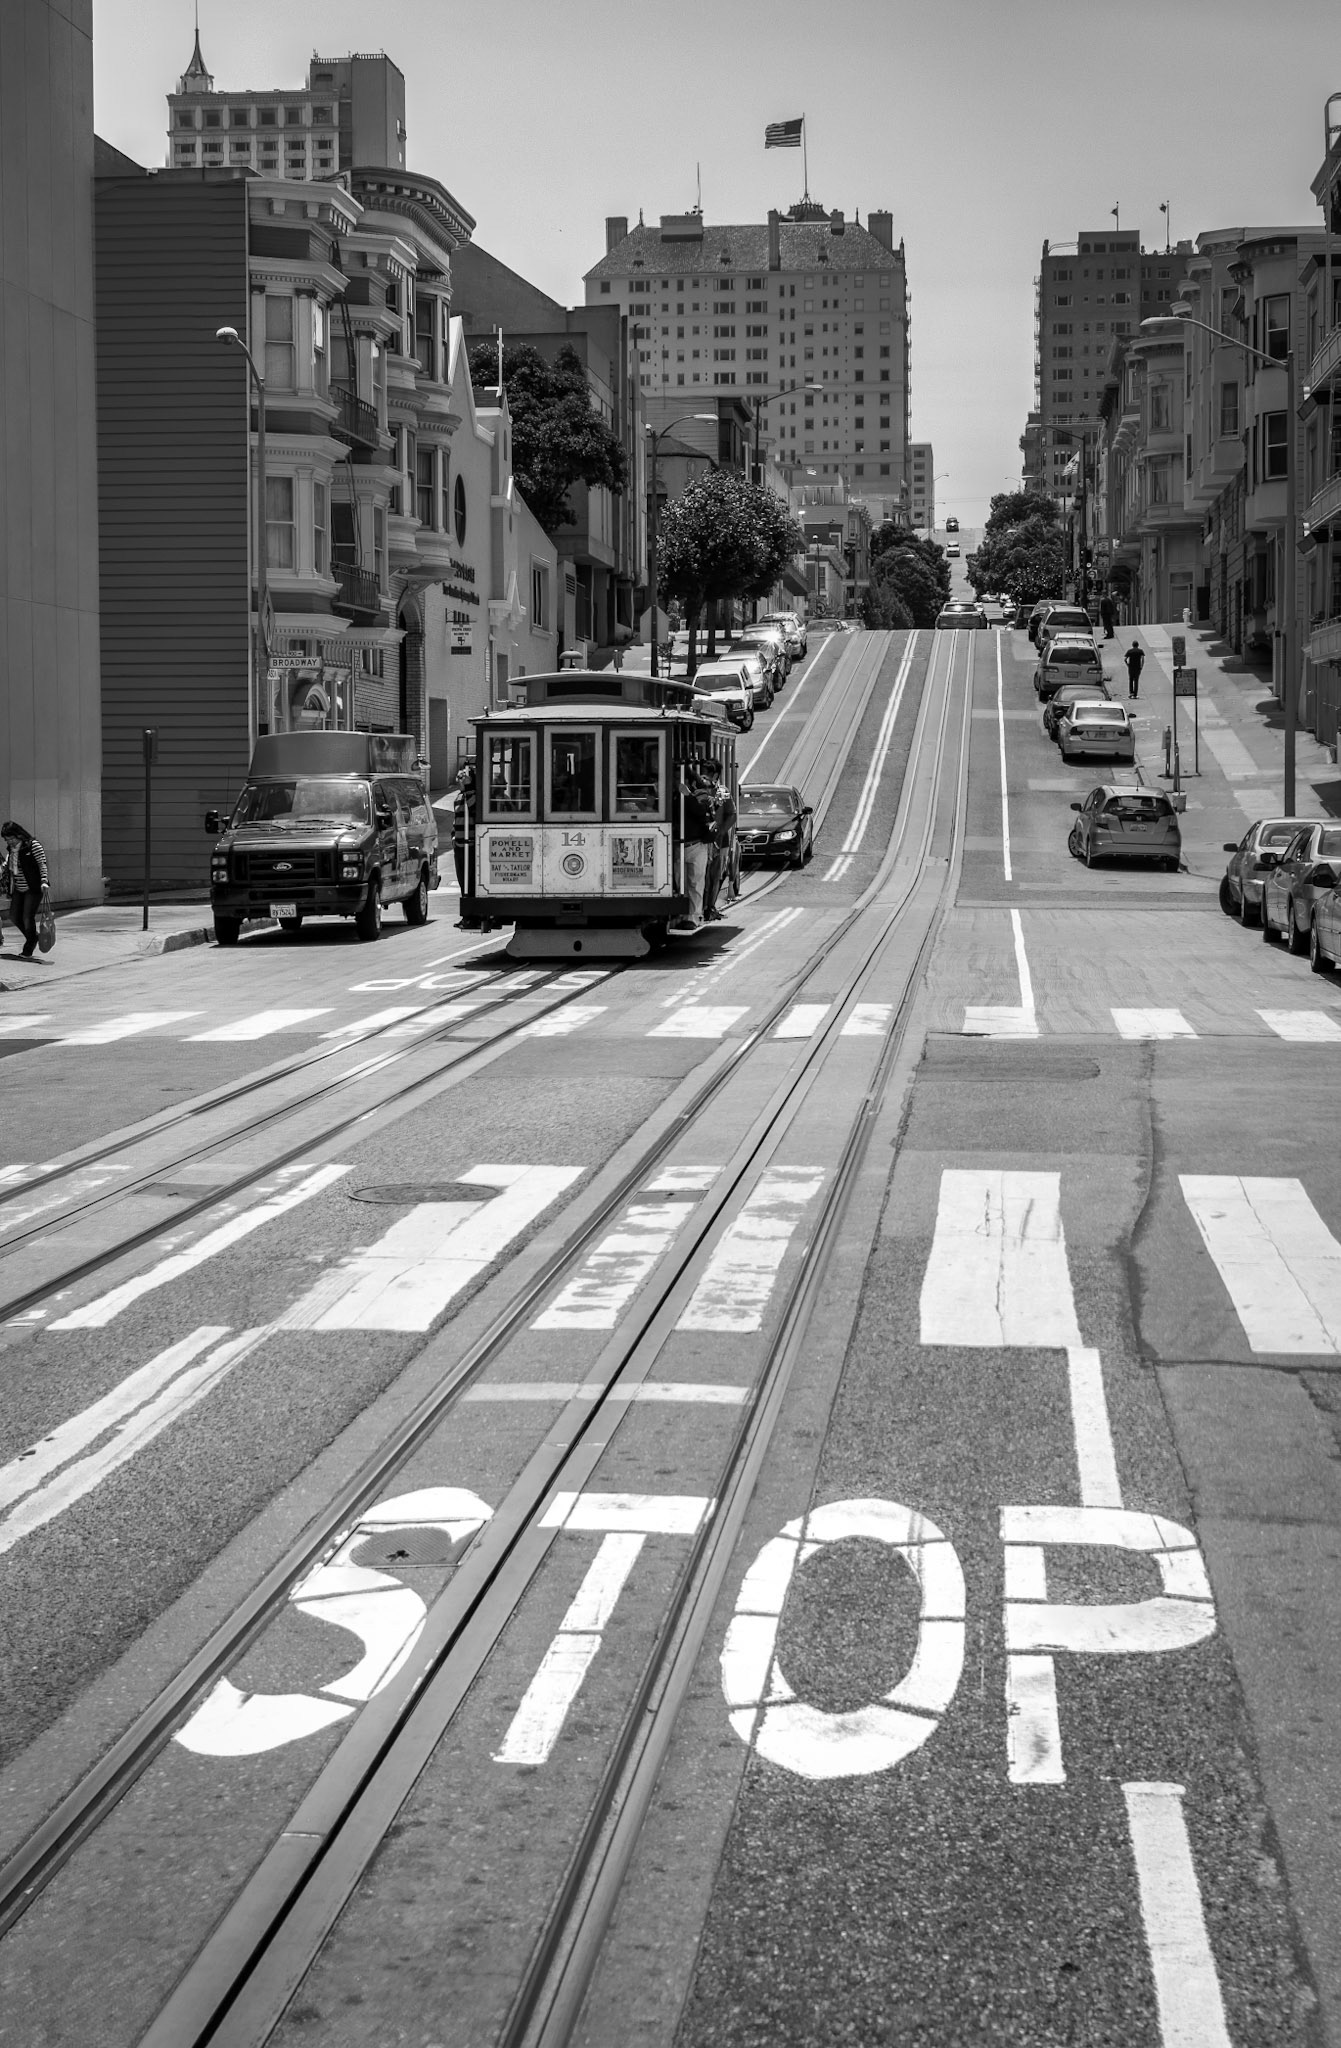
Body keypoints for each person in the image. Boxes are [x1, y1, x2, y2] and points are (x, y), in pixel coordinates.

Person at [1, 822, 51, 959]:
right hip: (18, 887)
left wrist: (44, 881)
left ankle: (28, 948)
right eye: (7, 839)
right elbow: (9, 865)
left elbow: (42, 864)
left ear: (19, 834)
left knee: (27, 917)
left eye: (11, 838)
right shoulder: (12, 849)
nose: (10, 841)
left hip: (33, 887)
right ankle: (33, 937)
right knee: (14, 916)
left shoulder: (33, 845)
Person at [451, 767, 479, 929]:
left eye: (462, 779)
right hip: (460, 845)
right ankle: (466, 915)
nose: (459, 781)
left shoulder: (473, 795)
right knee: (463, 883)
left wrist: (469, 789)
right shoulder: (458, 798)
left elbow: (474, 810)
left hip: (471, 845)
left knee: (471, 883)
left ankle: (472, 915)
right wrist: (453, 837)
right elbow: (456, 820)